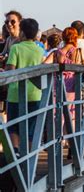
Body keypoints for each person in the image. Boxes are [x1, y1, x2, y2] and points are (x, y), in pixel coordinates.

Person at [5, 18, 44, 155]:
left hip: (15, 93)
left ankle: (15, 150)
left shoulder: (16, 48)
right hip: (35, 94)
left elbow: (10, 69)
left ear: (21, 33)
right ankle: (28, 154)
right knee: (31, 126)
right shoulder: (39, 50)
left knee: (13, 125)